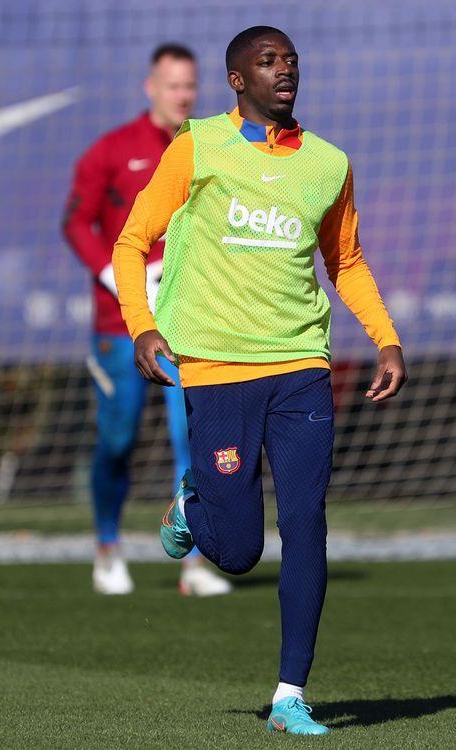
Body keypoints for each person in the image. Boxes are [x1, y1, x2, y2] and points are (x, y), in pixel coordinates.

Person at [112, 26, 407, 735]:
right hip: (214, 370)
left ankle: (289, 695)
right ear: (237, 81)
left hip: (301, 367)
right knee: (240, 552)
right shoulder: (198, 146)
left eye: (292, 61)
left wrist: (386, 339)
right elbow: (131, 241)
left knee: (306, 523)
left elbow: (348, 261)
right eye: (268, 62)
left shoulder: (329, 164)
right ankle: (191, 507)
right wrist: (142, 325)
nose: (285, 71)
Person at [62, 43, 231, 597]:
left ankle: (195, 560)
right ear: (150, 86)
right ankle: (107, 545)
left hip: (190, 323)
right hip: (121, 324)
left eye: (190, 85)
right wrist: (115, 275)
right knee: (118, 440)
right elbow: (76, 223)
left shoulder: (210, 146)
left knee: (196, 441)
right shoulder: (111, 151)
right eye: (173, 85)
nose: (184, 95)